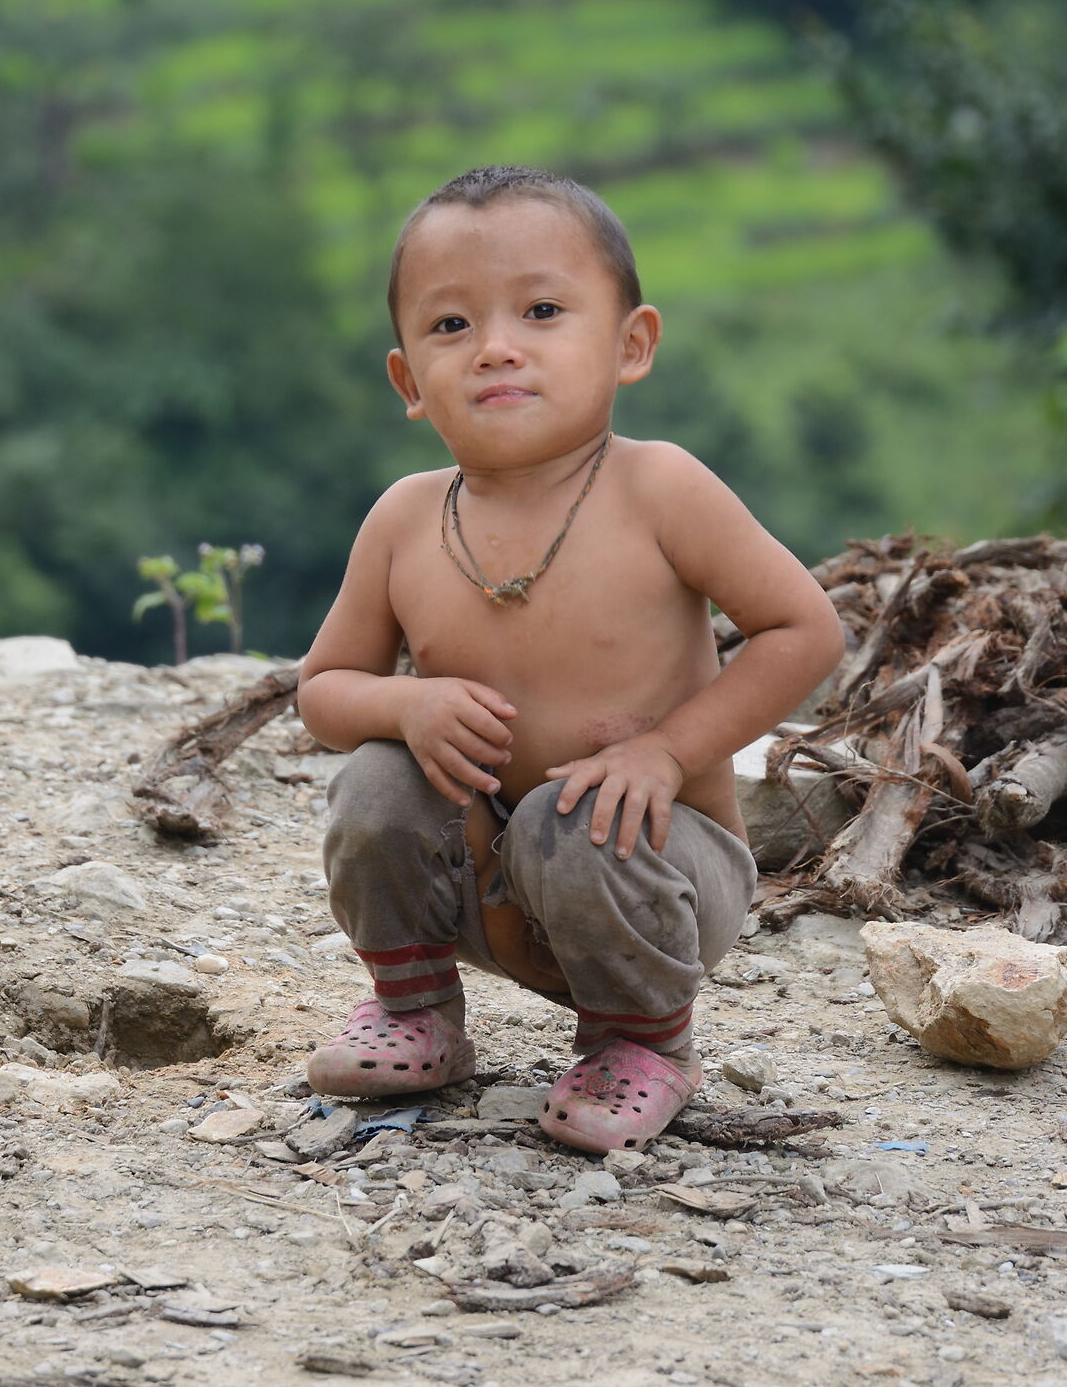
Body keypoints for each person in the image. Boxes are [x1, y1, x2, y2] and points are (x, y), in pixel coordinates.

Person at [295, 166, 844, 1152]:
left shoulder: (660, 490)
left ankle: (645, 1042)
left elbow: (805, 629)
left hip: (653, 870)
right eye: (451, 326)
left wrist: (669, 753)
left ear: (630, 345)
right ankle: (415, 1009)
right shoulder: (405, 519)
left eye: (542, 310)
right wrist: (402, 707)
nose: (497, 347)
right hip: (480, 871)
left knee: (573, 815)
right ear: (409, 380)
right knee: (377, 779)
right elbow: (324, 691)